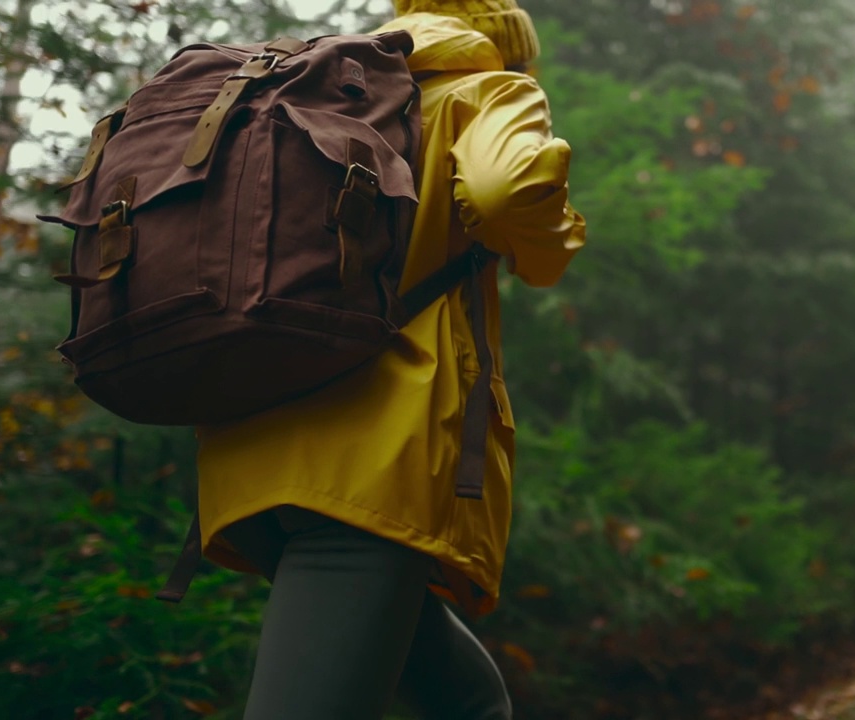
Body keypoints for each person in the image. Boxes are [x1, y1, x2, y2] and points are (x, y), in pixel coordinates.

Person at [192, 2, 585, 718]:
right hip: (371, 460)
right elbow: (506, 193)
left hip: (247, 447)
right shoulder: (487, 89)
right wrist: (549, 240)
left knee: (471, 703)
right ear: (507, 45)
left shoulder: (325, 95)